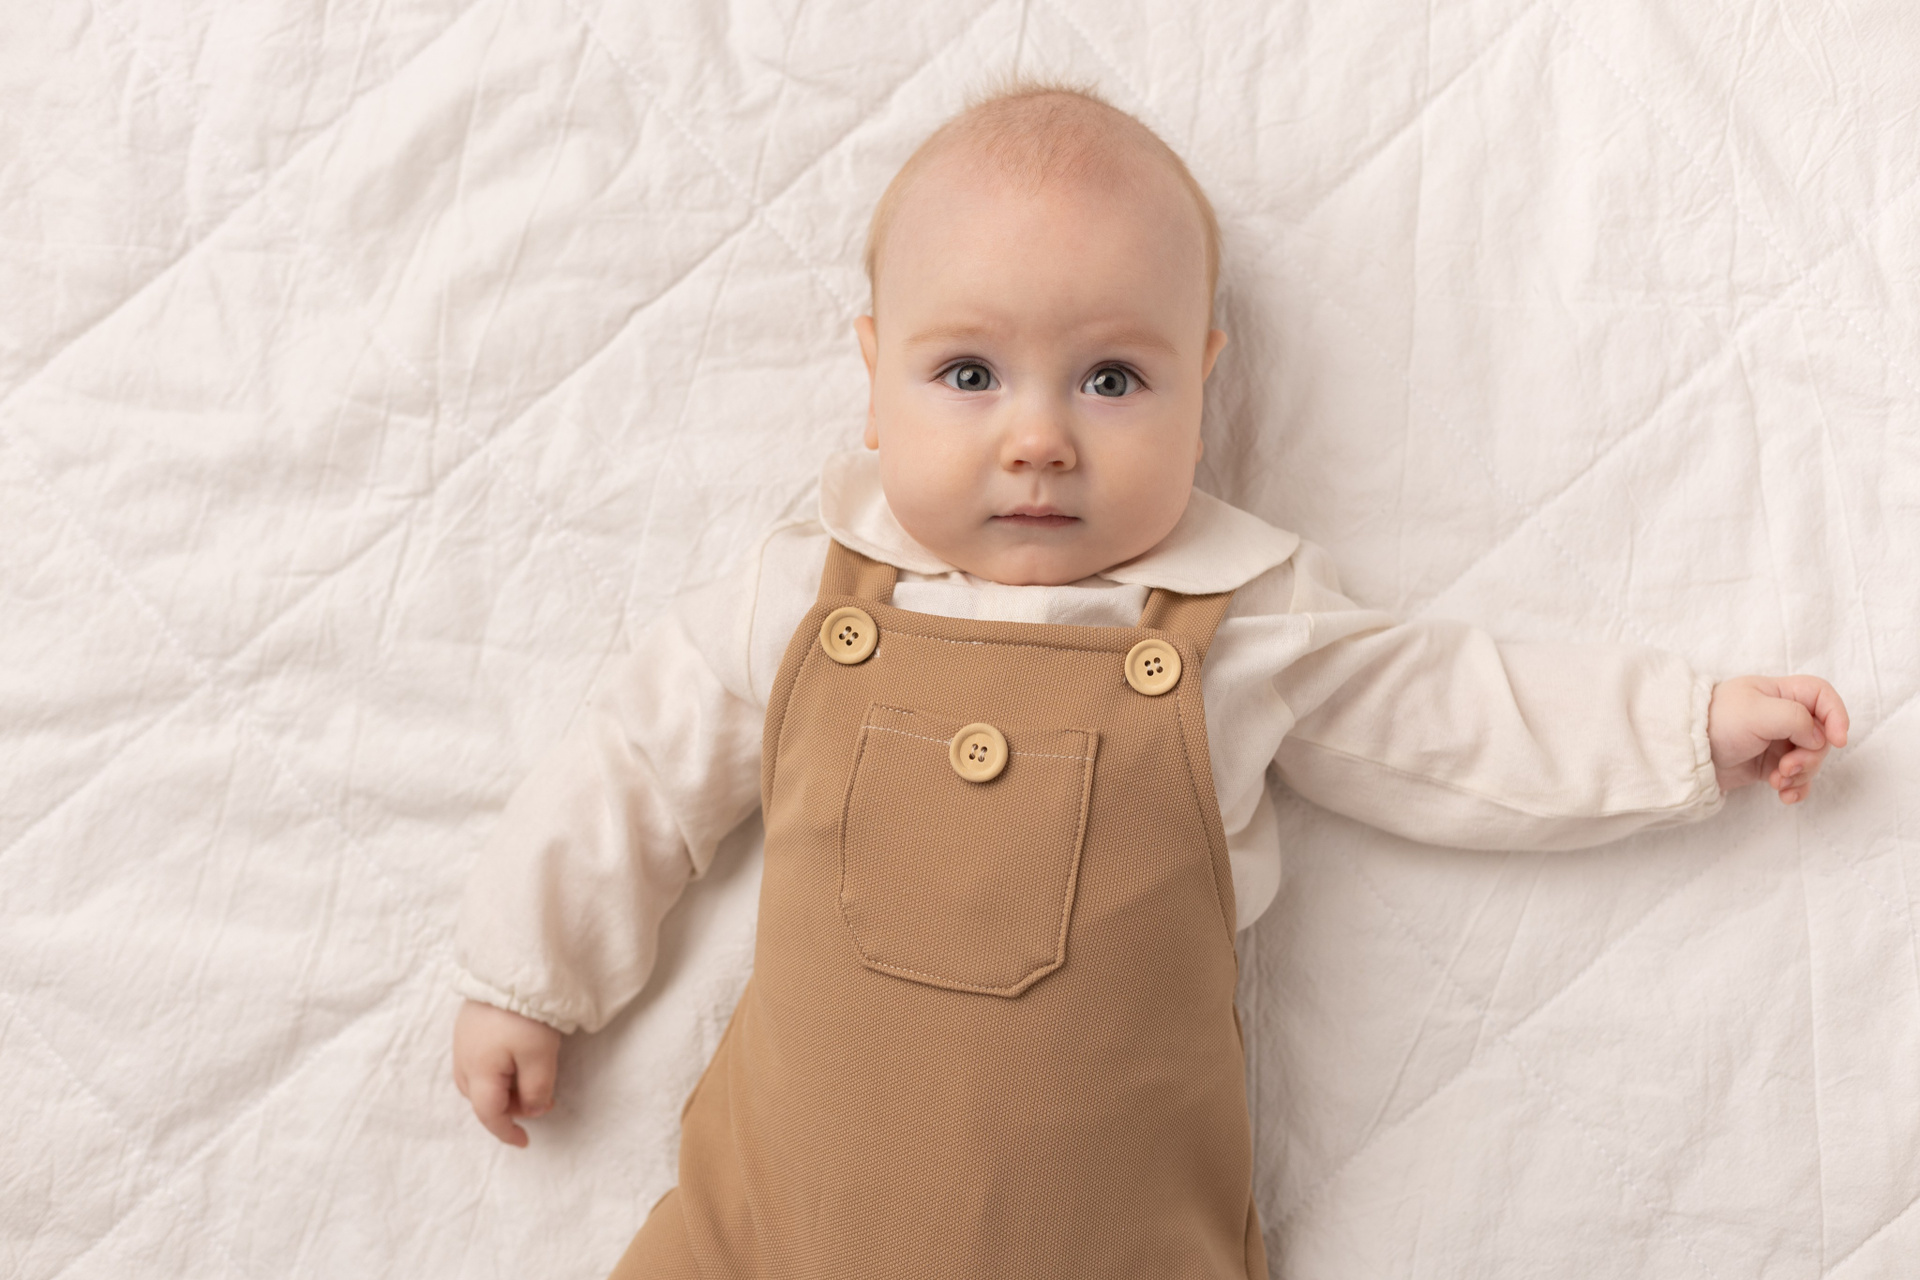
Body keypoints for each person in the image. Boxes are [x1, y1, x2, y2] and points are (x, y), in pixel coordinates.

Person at [449, 83, 1849, 1278]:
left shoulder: (1242, 618)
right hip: (771, 1234)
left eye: (1112, 380)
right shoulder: (804, 596)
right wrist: (529, 976)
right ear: (872, 380)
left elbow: (1453, 719)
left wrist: (1689, 727)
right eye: (968, 373)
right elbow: (635, 771)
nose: (1040, 438)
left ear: (1205, 385)